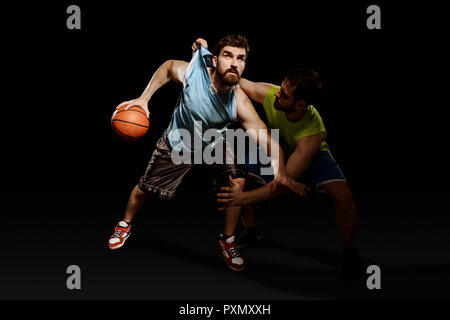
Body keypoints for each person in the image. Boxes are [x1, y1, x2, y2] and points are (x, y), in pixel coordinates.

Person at [107, 34, 305, 272]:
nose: (234, 63)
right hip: (180, 141)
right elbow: (169, 67)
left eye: (241, 58)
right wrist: (144, 98)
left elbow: (263, 134)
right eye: (228, 56)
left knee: (237, 183)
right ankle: (124, 224)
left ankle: (227, 241)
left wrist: (280, 171)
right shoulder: (194, 72)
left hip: (214, 142)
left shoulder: (238, 101)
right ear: (215, 60)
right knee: (143, 190)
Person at [216, 65, 360, 279]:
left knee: (344, 198)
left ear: (300, 103)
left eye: (284, 94)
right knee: (239, 175)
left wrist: (242, 198)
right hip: (279, 147)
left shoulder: (313, 134)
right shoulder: (272, 94)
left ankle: (349, 253)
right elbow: (240, 82)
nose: (277, 94)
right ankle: (252, 232)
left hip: (312, 157)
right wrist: (212, 66)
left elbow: (282, 185)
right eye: (280, 87)